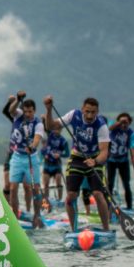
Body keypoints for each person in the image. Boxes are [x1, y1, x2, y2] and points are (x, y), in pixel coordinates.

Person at [43, 95, 111, 231]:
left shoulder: (101, 125)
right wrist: (49, 109)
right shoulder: (74, 115)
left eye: (93, 112)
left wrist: (95, 161)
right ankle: (74, 230)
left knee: (98, 194)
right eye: (87, 111)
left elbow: (104, 152)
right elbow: (50, 126)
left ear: (97, 112)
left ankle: (106, 229)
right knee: (71, 196)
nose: (90, 115)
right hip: (77, 159)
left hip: (94, 159)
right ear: (82, 109)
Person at [6, 98, 45, 226]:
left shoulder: (38, 123)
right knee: (13, 188)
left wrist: (32, 146)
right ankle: (14, 217)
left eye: (30, 111)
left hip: (31, 158)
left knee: (35, 188)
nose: (28, 114)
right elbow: (10, 109)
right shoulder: (18, 115)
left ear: (34, 111)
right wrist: (17, 98)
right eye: (26, 111)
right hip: (17, 157)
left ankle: (37, 216)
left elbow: (37, 138)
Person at [106, 112, 134, 209]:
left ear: (129, 123)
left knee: (126, 184)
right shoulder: (112, 127)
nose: (124, 125)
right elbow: (107, 129)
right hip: (111, 160)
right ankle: (108, 207)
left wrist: (133, 158)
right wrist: (119, 123)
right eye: (122, 122)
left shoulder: (132, 133)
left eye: (126, 123)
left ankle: (129, 207)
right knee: (110, 184)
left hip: (123, 161)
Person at [41, 120, 70, 205]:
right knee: (45, 183)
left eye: (58, 129)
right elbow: (46, 127)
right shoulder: (50, 136)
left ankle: (59, 200)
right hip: (47, 164)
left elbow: (67, 154)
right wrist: (44, 120)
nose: (56, 131)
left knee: (58, 181)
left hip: (57, 164)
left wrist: (60, 154)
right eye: (55, 129)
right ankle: (46, 201)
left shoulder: (63, 141)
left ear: (61, 130)